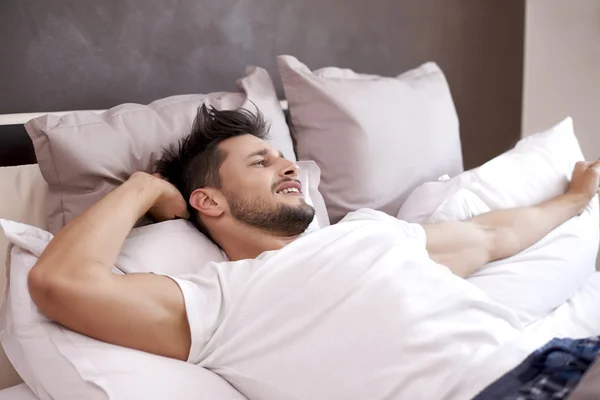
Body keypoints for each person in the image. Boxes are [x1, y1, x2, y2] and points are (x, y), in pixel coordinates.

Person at [27, 105, 600, 397]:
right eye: (260, 162)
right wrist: (145, 187)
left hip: (564, 358)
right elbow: (63, 283)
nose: (287, 165)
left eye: (283, 157)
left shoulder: (373, 231)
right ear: (208, 200)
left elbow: (494, 235)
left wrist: (575, 200)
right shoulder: (219, 304)